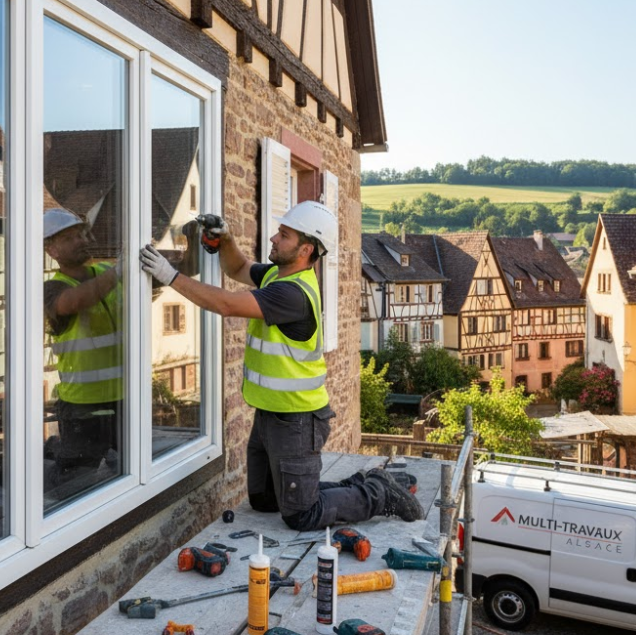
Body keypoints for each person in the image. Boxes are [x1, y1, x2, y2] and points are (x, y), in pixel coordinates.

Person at [139, 202, 423, 531]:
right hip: (270, 415)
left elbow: (227, 304)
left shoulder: (293, 294)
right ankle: (365, 481)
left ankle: (377, 492)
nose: (274, 237)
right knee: (264, 500)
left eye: (283, 235)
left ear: (305, 249)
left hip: (297, 421)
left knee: (302, 515)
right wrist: (226, 239)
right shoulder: (277, 274)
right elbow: (239, 269)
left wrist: (170, 277)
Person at [43, 208, 122, 491]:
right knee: (74, 483)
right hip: (82, 410)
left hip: (124, 401)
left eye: (81, 233)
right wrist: (119, 273)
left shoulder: (105, 272)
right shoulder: (53, 288)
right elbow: (74, 302)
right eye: (69, 237)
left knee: (126, 475)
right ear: (51, 249)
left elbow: (172, 273)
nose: (81, 240)